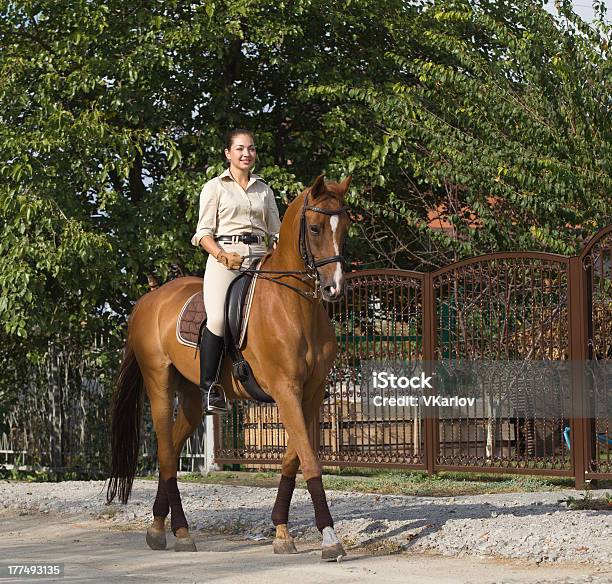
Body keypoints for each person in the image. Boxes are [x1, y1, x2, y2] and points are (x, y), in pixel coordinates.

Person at [191, 129, 281, 414]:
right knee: (217, 318)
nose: (246, 154)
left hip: (261, 260)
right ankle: (209, 390)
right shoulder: (215, 187)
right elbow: (203, 234)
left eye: (251, 149)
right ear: (228, 153)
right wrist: (220, 254)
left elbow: (276, 232)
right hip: (225, 260)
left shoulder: (264, 190)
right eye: (240, 149)